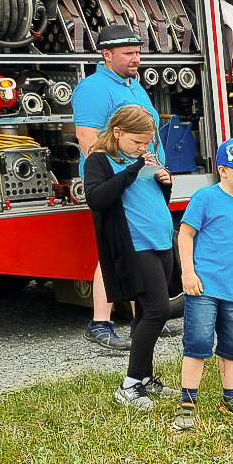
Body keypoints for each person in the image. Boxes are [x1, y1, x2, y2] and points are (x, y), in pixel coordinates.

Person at [87, 105, 182, 410]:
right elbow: (97, 198)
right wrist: (131, 170)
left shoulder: (145, 159)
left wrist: (164, 184)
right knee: (157, 311)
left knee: (144, 313)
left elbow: (149, 198)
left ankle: (145, 378)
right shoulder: (99, 160)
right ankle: (129, 385)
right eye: (136, 142)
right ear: (117, 132)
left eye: (147, 143)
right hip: (134, 247)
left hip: (160, 242)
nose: (143, 148)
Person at [72, 24, 158, 354]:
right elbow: (88, 140)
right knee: (113, 247)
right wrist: (120, 177)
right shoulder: (93, 88)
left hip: (141, 181)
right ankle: (100, 323)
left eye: (138, 52)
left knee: (137, 248)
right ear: (107, 55)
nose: (136, 58)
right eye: (128, 54)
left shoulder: (134, 86)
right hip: (116, 183)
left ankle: (144, 318)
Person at [171, 139, 233, 432]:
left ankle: (231, 399)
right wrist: (188, 273)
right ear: (223, 170)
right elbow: (185, 235)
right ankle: (187, 404)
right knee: (197, 344)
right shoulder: (205, 198)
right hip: (205, 287)